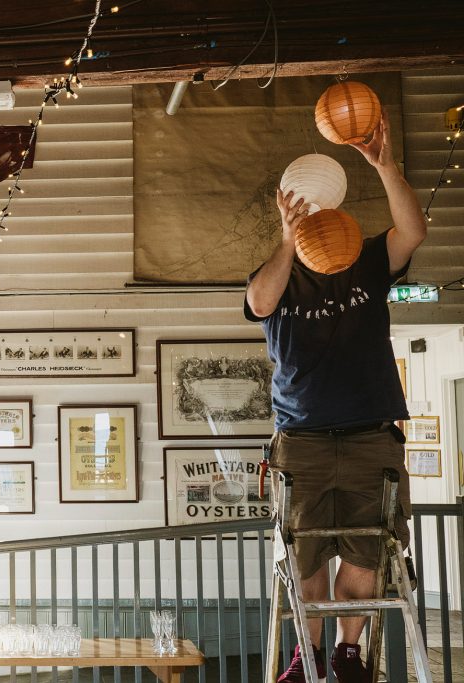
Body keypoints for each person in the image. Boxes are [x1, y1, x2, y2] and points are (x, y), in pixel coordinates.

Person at [244, 108, 426, 683]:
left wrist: (385, 165)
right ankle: (308, 652)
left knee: (369, 552)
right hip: (303, 439)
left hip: (373, 434)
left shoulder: (369, 262)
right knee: (306, 554)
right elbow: (259, 303)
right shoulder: (278, 275)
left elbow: (413, 232)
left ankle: (348, 650)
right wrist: (286, 239)